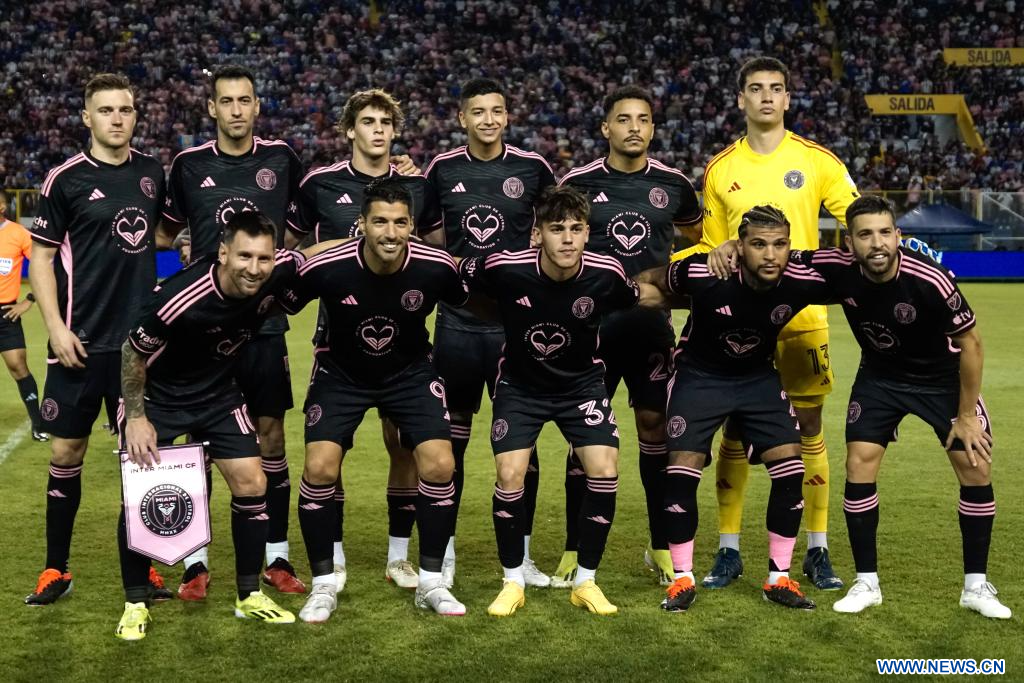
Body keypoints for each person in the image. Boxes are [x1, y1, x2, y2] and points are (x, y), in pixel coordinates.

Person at [675, 56, 860, 590]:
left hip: (802, 319)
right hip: (738, 322)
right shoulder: (720, 169)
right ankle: (728, 550)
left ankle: (817, 549)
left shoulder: (818, 161)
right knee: (733, 427)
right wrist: (715, 252)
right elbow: (711, 249)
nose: (766, 97)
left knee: (808, 428)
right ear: (741, 99)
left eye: (776, 88)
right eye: (755, 88)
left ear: (787, 98)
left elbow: (857, 219)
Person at [794, 196, 1009, 619]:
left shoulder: (930, 279)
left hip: (942, 379)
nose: (877, 243)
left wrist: (967, 416)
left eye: (884, 232)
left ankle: (976, 587)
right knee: (859, 462)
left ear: (897, 235)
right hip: (881, 377)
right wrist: (730, 248)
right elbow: (782, 255)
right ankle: (866, 583)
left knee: (975, 465)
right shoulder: (837, 268)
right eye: (865, 234)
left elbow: (971, 343)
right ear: (849, 242)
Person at [461, 186, 659, 617]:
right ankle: (512, 581)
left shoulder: (607, 272)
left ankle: (585, 581)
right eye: (556, 229)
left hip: (581, 387)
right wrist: (500, 314)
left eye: (576, 228)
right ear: (537, 235)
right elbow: (458, 278)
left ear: (587, 233)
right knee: (510, 473)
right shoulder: (504, 266)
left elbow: (637, 297)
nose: (567, 239)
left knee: (604, 469)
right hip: (520, 387)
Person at [279, 179, 468, 622]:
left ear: (412, 225)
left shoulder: (436, 266)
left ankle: (431, 582)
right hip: (340, 373)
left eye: (400, 222)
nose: (390, 232)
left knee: (440, 464)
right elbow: (281, 299)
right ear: (361, 224)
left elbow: (475, 301)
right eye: (380, 221)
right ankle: (324, 584)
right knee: (320, 467)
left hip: (409, 373)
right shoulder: (329, 265)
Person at [117, 212, 304, 640]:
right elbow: (132, 352)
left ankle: (248, 595)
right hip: (159, 399)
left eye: (263, 258)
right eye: (244, 256)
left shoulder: (276, 272)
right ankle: (134, 603)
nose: (254, 268)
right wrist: (137, 417)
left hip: (219, 395)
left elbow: (309, 255)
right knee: (142, 496)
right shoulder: (180, 297)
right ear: (222, 253)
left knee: (252, 482)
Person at [160, 65, 306, 599]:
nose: (237, 110)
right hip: (200, 329)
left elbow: (302, 226)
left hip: (263, 324)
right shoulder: (189, 165)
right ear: (212, 108)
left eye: (245, 100)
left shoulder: (282, 158)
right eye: (227, 101)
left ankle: (276, 557)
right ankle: (194, 563)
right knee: (197, 443)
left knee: (271, 436)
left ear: (257, 106)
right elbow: (163, 232)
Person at [25, 73, 170, 606]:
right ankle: (55, 569)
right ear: (87, 117)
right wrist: (55, 328)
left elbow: (169, 232)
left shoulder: (152, 173)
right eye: (105, 110)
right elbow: (41, 258)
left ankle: (145, 568)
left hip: (139, 348)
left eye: (125, 109)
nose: (116, 118)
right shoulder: (64, 179)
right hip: (79, 343)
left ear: (135, 115)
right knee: (67, 452)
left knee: (143, 456)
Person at [641, 205, 830, 612]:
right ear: (740, 247)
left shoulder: (800, 278)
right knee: (682, 470)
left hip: (757, 378)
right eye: (758, 244)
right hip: (699, 378)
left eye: (779, 244)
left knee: (791, 470)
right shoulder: (703, 272)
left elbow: (855, 274)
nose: (770, 254)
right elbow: (650, 280)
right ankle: (682, 579)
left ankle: (779, 579)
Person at [294, 89, 439, 591]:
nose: (377, 130)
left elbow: (434, 248)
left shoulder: (417, 185)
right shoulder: (319, 183)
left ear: (395, 131)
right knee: (329, 453)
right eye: (368, 121)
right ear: (349, 129)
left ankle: (399, 557)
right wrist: (354, 244)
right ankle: (333, 557)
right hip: (338, 341)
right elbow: (294, 251)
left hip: (404, 341)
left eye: (385, 122)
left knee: (403, 447)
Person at [557, 86, 701, 586]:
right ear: (606, 128)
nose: (633, 127)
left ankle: (660, 547)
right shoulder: (578, 182)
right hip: (589, 332)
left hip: (650, 331)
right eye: (623, 119)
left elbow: (696, 240)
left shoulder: (674, 184)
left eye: (642, 119)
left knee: (655, 428)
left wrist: (672, 285)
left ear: (653, 128)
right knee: (584, 439)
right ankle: (574, 548)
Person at [422, 77, 556, 587]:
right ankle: (444, 551)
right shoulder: (442, 169)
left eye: (496, 111)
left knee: (522, 445)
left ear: (507, 116)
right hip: (457, 325)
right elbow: (431, 239)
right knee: (449, 443)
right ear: (463, 118)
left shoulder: (533, 168)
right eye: (478, 112)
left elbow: (553, 229)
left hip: (514, 328)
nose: (488, 120)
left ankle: (522, 555)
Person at [0, 189, 46, 440]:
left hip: (6, 314)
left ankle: (38, 424)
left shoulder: (18, 234)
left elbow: (44, 266)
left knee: (18, 367)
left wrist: (28, 300)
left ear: (2, 207)